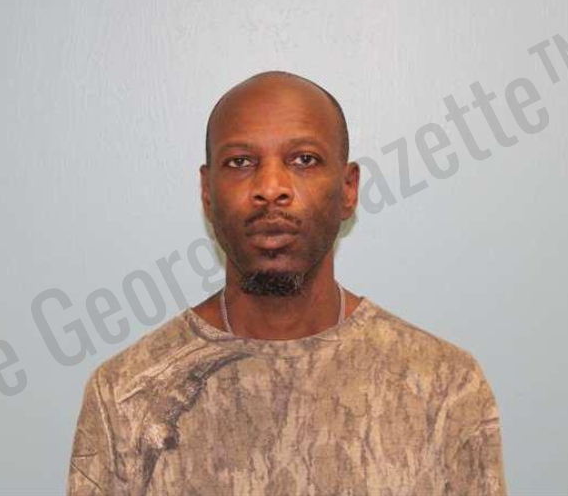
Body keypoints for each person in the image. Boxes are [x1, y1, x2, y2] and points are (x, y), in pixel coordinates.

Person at [66, 71, 508, 495]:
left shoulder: (444, 387)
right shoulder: (125, 394)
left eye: (304, 160)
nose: (271, 187)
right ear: (207, 192)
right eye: (241, 162)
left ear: (348, 189)